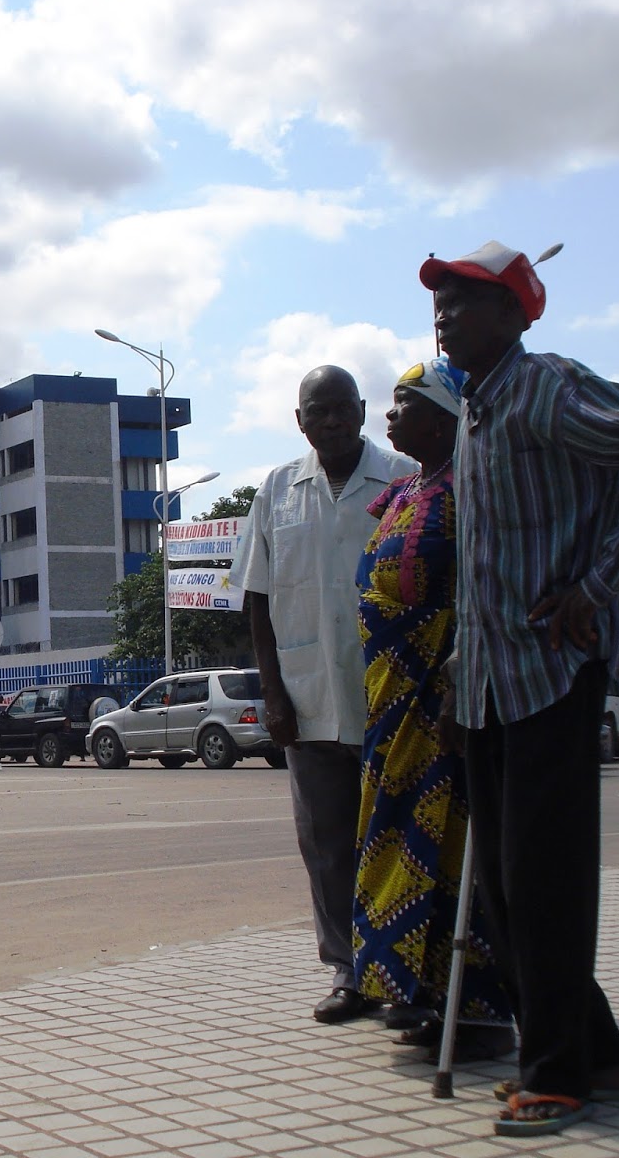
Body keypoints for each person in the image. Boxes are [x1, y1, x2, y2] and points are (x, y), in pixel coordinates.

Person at [423, 241, 619, 1136]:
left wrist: (601, 584)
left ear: (516, 313)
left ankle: (557, 1075)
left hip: (552, 670)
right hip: (494, 681)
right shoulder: (476, 409)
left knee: (542, 882)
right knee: (507, 887)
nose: (445, 316)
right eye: (440, 302)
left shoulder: (544, 387)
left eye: (466, 301)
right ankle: (600, 1053)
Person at [242, 366, 414, 1023]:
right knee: (327, 845)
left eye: (344, 409)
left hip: (391, 696)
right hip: (308, 699)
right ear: (300, 421)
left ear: (363, 410)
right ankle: (350, 973)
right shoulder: (279, 490)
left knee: (396, 842)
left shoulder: (405, 477)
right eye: (321, 412)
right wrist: (273, 693)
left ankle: (402, 971)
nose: (334, 422)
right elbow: (257, 600)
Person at [353, 358, 513, 1059]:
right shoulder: (405, 491)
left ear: (448, 419)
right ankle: (414, 990)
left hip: (439, 699)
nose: (392, 416)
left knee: (449, 849)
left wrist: (455, 683)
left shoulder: (472, 491)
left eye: (406, 403)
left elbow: (483, 595)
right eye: (392, 402)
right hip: (390, 704)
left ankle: (474, 1008)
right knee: (392, 835)